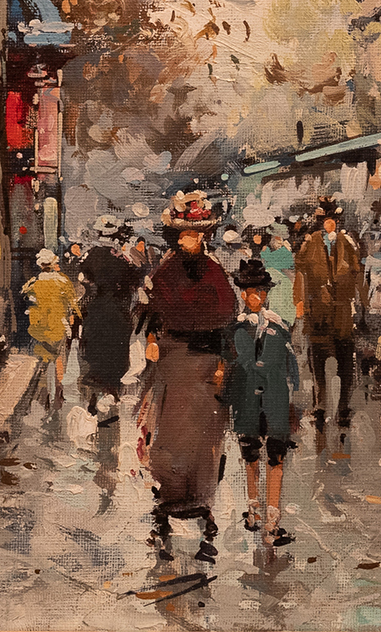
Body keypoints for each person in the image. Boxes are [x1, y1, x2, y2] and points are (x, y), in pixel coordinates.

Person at [135, 191, 237, 563]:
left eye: (193, 235)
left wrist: (225, 362)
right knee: (170, 434)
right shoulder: (165, 271)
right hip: (174, 359)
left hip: (207, 362)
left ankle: (201, 502)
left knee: (205, 438)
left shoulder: (215, 273)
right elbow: (150, 311)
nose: (187, 240)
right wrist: (150, 339)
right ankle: (169, 500)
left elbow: (228, 320)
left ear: (204, 237)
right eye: (182, 235)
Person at [227, 258, 299, 546]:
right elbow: (242, 361)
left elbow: (286, 366)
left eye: (262, 292)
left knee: (276, 457)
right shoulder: (237, 329)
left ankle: (272, 522)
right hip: (248, 401)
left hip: (275, 400)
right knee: (251, 457)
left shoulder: (278, 327)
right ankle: (254, 510)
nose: (257, 297)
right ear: (243, 295)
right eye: (252, 293)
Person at [295, 198, 367, 428]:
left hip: (343, 313)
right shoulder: (311, 243)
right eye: (325, 222)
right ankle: (321, 405)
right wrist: (299, 302)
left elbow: (358, 273)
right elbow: (301, 272)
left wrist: (361, 302)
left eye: (332, 221)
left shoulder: (347, 242)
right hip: (318, 312)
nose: (329, 225)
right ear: (320, 223)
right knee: (318, 359)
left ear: (337, 222)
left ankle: (344, 406)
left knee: (346, 361)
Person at [77, 215, 144, 419]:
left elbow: (84, 278)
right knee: (115, 349)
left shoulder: (91, 256)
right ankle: (111, 392)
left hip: (97, 308)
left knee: (95, 346)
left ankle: (95, 394)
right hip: (116, 310)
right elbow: (134, 281)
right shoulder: (121, 259)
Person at [22, 249, 80, 408]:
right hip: (59, 326)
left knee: (44, 359)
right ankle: (58, 390)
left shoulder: (34, 283)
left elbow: (25, 295)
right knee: (60, 357)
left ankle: (45, 394)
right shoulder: (63, 281)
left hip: (40, 327)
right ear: (53, 263)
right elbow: (73, 304)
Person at [258, 226, 295, 330]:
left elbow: (274, 263)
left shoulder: (283, 251)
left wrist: (265, 252)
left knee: (279, 303)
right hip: (276, 280)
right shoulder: (279, 250)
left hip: (279, 281)